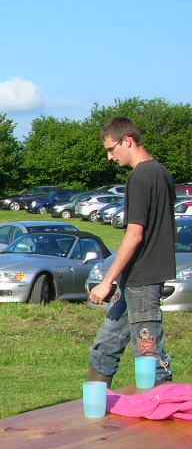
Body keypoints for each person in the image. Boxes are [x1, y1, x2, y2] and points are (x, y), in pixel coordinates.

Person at [88, 117, 175, 386]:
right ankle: (93, 404)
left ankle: (162, 407)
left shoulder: (140, 177)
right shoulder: (162, 172)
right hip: (134, 279)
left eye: (111, 149)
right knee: (105, 347)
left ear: (127, 141)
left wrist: (107, 281)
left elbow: (135, 234)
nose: (110, 157)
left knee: (149, 356)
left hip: (144, 279)